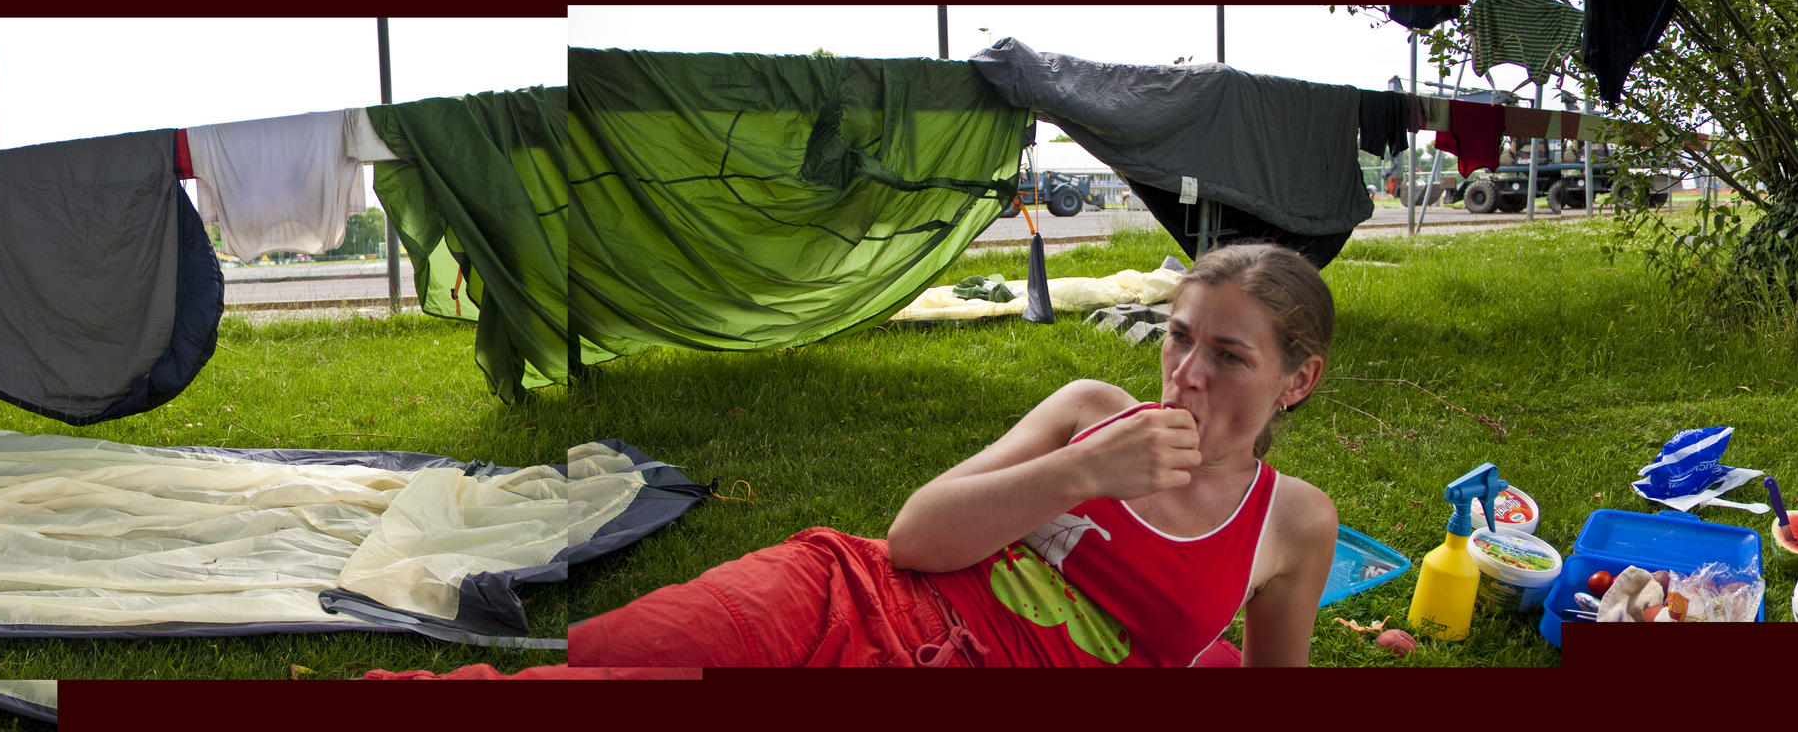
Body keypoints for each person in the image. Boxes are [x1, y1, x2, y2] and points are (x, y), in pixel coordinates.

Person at [376, 244, 1347, 675]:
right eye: (1178, 338)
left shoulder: (1292, 522)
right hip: (859, 590)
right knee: (624, 652)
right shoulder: (1094, 412)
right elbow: (917, 539)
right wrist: (1081, 472)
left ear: (1295, 381)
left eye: (1228, 355)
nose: (1186, 374)